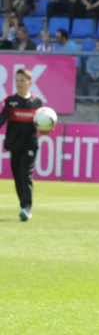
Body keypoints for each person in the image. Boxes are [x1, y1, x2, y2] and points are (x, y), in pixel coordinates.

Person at [0, 69, 43, 221]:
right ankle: (23, 206)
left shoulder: (37, 102)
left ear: (30, 82)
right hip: (14, 145)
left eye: (22, 80)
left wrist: (47, 128)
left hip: (29, 145)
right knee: (18, 176)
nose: (19, 83)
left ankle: (27, 207)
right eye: (17, 80)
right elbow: (3, 118)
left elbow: (42, 123)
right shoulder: (10, 101)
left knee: (26, 174)